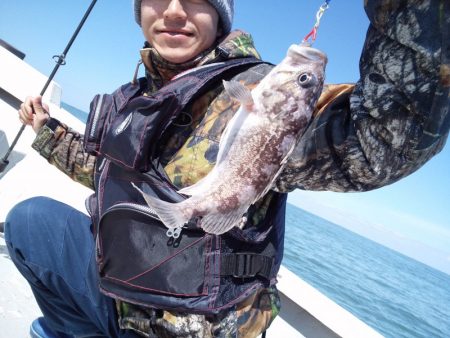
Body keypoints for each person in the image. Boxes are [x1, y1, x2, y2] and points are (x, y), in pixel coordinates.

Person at [5, 0, 448, 337]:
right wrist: (47, 131)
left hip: (192, 323)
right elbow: (107, 174)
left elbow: (388, 141)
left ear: (221, 16)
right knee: (29, 220)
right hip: (119, 287)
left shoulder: (269, 96)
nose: (175, 11)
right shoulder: (135, 97)